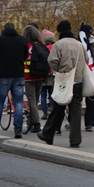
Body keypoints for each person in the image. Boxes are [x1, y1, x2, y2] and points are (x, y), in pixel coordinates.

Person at [37, 20, 87, 148]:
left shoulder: (59, 44)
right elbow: (85, 59)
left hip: (63, 80)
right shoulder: (79, 44)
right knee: (75, 110)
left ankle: (48, 134)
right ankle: (75, 140)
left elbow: (52, 60)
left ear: (60, 32)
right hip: (77, 81)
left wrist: (59, 69)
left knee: (58, 107)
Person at [0, 23, 28, 138]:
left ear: (4, 29)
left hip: (5, 74)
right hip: (19, 74)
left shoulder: (1, 39)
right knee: (18, 103)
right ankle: (18, 129)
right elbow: (25, 55)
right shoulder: (22, 40)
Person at [21, 25, 47, 133]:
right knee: (35, 100)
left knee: (31, 99)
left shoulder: (25, 46)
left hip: (28, 77)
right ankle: (31, 122)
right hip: (40, 76)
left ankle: (36, 123)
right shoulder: (41, 46)